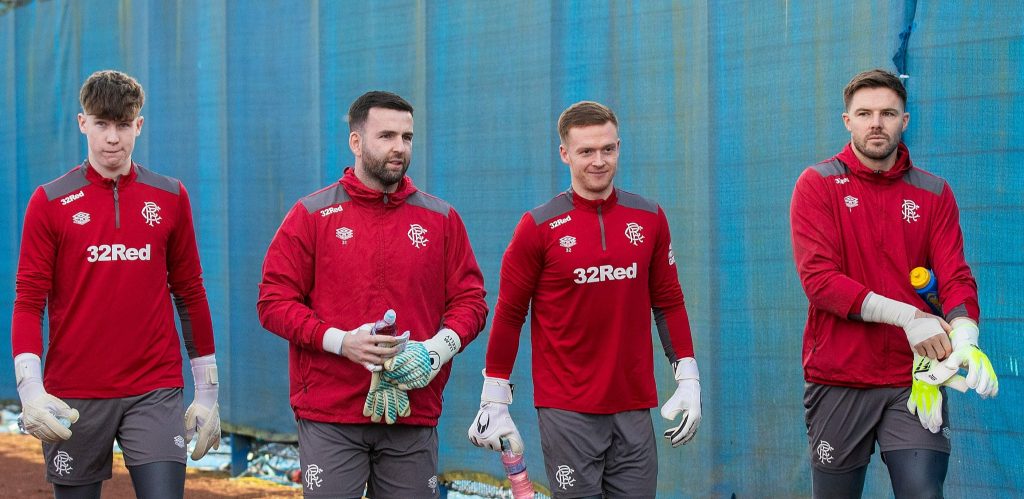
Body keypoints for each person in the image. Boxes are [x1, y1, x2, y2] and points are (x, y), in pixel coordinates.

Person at [257, 90, 488, 498]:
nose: (399, 147)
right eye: (386, 136)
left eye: (407, 137)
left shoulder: (441, 219)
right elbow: (273, 302)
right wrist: (342, 342)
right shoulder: (311, 215)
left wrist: (435, 352)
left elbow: (471, 301)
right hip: (330, 413)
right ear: (356, 141)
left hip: (412, 411)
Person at [466, 101, 702, 498]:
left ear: (619, 147)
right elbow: (509, 314)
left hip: (633, 405)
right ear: (565, 153)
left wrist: (689, 378)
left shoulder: (649, 217)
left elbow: (669, 302)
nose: (599, 161)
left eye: (607, 149)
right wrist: (494, 398)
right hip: (567, 411)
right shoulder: (537, 227)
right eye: (586, 151)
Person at [10, 70, 221, 499]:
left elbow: (190, 293)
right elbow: (29, 301)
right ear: (82, 123)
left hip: (154, 387)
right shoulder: (49, 202)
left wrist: (208, 392)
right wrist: (30, 391)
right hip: (74, 393)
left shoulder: (170, 196)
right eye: (101, 123)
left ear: (138, 125)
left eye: (123, 125)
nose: (112, 137)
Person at [789, 68, 998, 499]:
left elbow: (956, 275)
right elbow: (820, 281)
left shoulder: (934, 192)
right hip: (840, 376)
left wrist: (965, 337)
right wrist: (909, 317)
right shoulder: (818, 184)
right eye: (864, 113)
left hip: (915, 376)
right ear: (847, 121)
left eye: (887, 113)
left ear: (905, 120)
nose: (876, 123)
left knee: (923, 492)